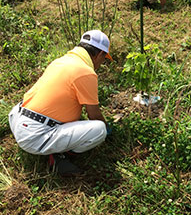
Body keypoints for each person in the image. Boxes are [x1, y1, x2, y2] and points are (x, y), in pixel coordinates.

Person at [8, 30, 113, 176]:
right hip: (34, 135)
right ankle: (59, 155)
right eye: (104, 59)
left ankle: (51, 145)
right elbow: (93, 114)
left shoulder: (61, 61)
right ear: (100, 54)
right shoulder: (86, 72)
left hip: (16, 117)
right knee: (99, 129)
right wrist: (108, 130)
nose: (102, 63)